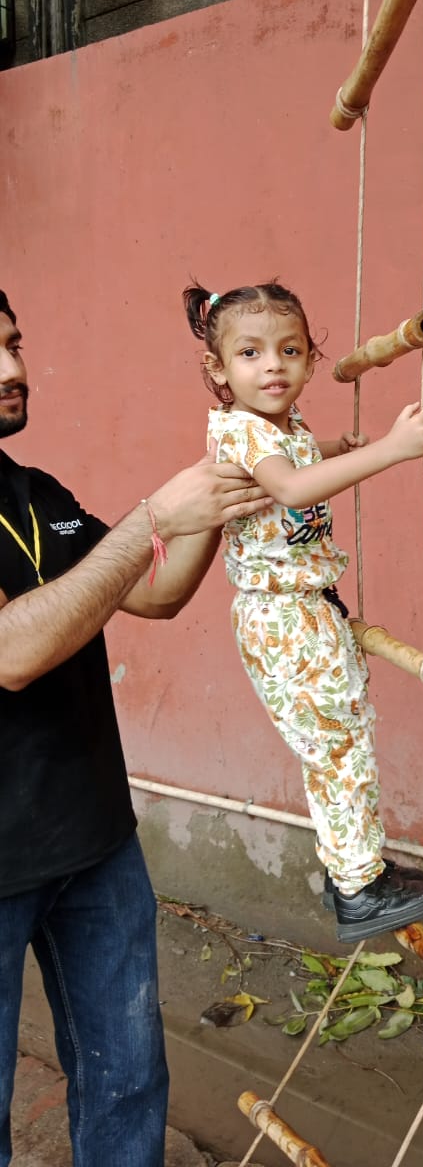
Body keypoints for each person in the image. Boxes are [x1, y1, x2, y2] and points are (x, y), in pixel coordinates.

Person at [0, 287, 271, 1167]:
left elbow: (151, 590)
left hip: (94, 841)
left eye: (14, 342)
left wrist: (228, 483)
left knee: (126, 1086)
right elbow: (14, 651)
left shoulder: (37, 493)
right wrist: (154, 516)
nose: (11, 368)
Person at [183, 279, 423, 944]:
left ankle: (351, 866)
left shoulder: (278, 425)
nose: (273, 366)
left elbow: (294, 462)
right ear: (218, 368)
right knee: (337, 745)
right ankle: (360, 886)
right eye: (250, 353)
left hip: (302, 612)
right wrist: (388, 450)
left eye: (290, 350)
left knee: (341, 736)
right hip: (287, 619)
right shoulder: (245, 430)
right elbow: (292, 487)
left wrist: (335, 447)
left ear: (308, 358)